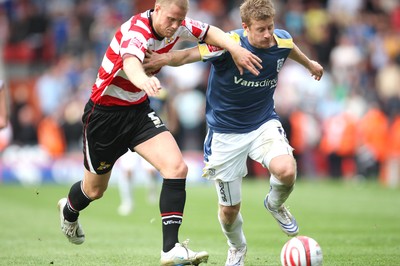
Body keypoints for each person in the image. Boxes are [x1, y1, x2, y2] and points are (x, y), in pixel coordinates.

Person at [56, 0, 262, 265]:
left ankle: (170, 249)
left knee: (176, 168)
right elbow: (130, 62)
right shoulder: (136, 31)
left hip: (138, 110)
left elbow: (211, 32)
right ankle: (69, 211)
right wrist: (143, 80)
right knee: (94, 191)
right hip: (104, 116)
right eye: (171, 20)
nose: (175, 27)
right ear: (157, 8)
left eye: (180, 20)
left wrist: (235, 48)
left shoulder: (177, 24)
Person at [143, 0, 324, 265]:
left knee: (286, 169)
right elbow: (188, 55)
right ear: (245, 27)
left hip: (263, 123)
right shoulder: (227, 44)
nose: (267, 35)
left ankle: (274, 204)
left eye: (270, 28)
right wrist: (163, 59)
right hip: (225, 134)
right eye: (260, 29)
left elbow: (290, 47)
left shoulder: (280, 40)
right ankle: (237, 247)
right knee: (229, 211)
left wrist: (309, 64)